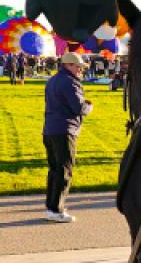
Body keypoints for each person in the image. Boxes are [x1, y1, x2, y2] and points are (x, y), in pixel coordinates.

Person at [42, 52, 92, 223]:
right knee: (64, 170)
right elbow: (78, 108)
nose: (80, 70)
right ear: (68, 65)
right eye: (78, 67)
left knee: (54, 170)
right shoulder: (70, 82)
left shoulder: (52, 80)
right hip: (65, 130)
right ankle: (57, 209)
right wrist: (89, 106)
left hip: (50, 129)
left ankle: (51, 206)